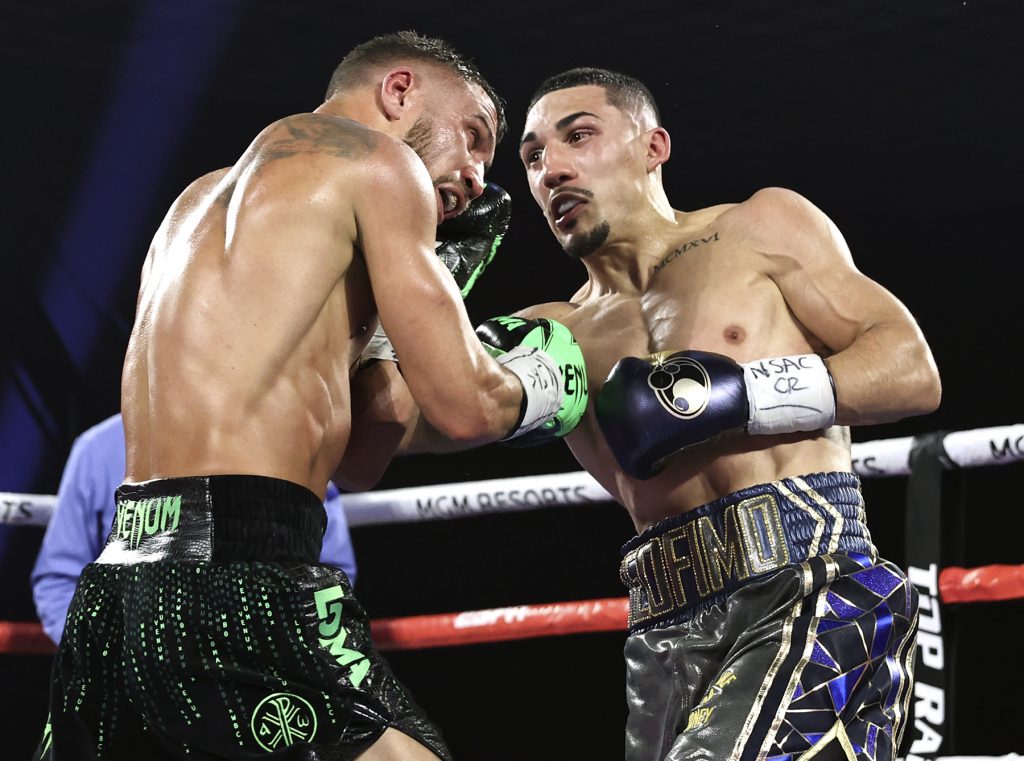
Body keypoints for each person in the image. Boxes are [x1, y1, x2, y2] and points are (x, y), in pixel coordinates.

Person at [34, 32, 586, 761]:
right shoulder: (381, 165)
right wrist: (550, 377)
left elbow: (356, 459)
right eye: (474, 136)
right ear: (398, 92)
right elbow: (467, 405)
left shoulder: (195, 201)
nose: (479, 177)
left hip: (118, 589)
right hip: (240, 571)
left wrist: (389, 330)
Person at [505, 69, 940, 760]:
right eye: (530, 159)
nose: (551, 170)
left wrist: (736, 396)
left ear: (653, 145)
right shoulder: (548, 338)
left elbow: (910, 370)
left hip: (812, 583)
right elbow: (408, 419)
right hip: (663, 630)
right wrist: (425, 262)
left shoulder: (757, 228)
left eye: (577, 137)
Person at [31, 412, 358, 645]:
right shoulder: (98, 451)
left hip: (256, 675)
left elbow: (331, 572)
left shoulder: (284, 443)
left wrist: (275, 648)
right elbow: (59, 579)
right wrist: (102, 656)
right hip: (135, 680)